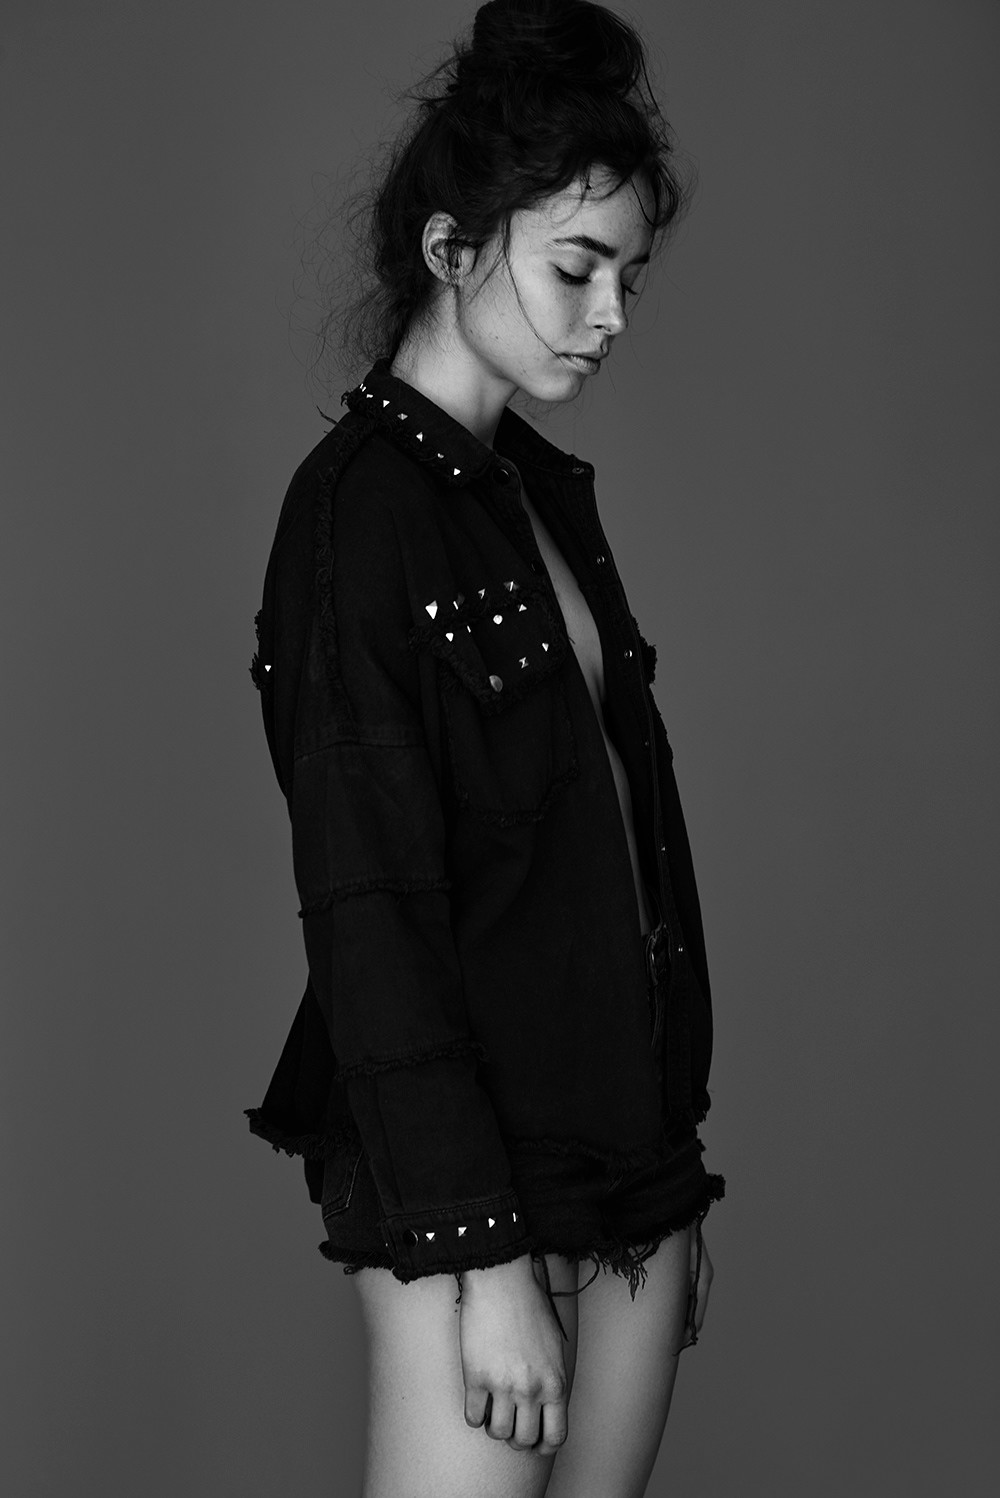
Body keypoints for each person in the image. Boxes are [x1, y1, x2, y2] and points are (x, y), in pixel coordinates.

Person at [244, 2, 724, 1493]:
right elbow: (371, 913)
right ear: (453, 250)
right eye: (576, 267)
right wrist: (485, 1256)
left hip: (632, 1160)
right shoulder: (353, 517)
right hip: (477, 1197)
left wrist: (669, 1157)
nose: (611, 314)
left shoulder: (541, 497)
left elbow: (616, 841)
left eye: (628, 277)